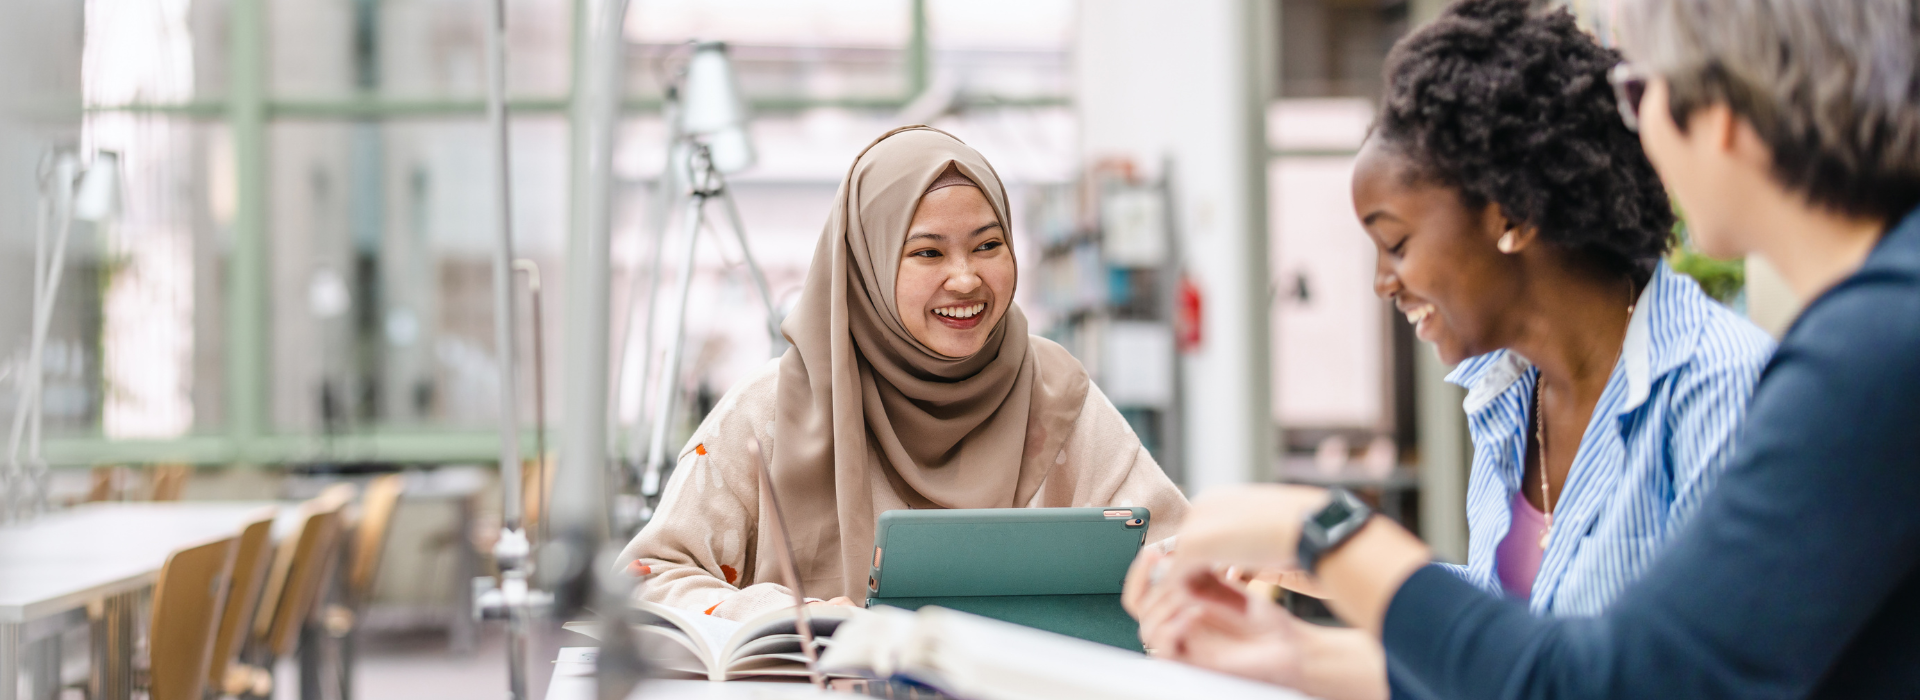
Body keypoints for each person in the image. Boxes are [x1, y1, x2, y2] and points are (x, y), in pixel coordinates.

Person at [1130, 0, 1920, 697]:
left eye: (1645, 92)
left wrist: (1324, 529)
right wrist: (1301, 649)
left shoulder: (1852, 355)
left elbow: (1623, 679)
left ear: (1723, 107)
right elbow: (1537, 640)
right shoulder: (1507, 396)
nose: (1641, 129)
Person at [621, 125, 1189, 620]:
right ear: (866, 262)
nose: (966, 279)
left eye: (988, 245)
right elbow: (648, 580)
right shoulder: (772, 409)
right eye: (927, 253)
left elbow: (1179, 553)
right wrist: (796, 619)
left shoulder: (1055, 394)